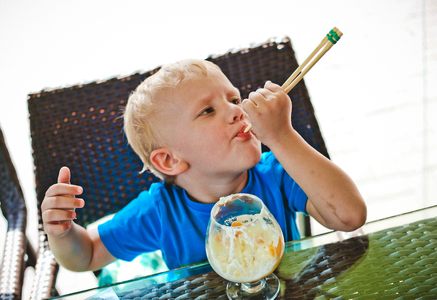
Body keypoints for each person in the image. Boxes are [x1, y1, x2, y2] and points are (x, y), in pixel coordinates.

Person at [42, 59, 367, 272]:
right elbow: (85, 256)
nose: (237, 111)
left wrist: (283, 137)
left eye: (234, 99)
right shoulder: (159, 212)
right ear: (170, 160)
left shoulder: (277, 174)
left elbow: (350, 216)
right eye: (208, 111)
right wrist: (62, 232)